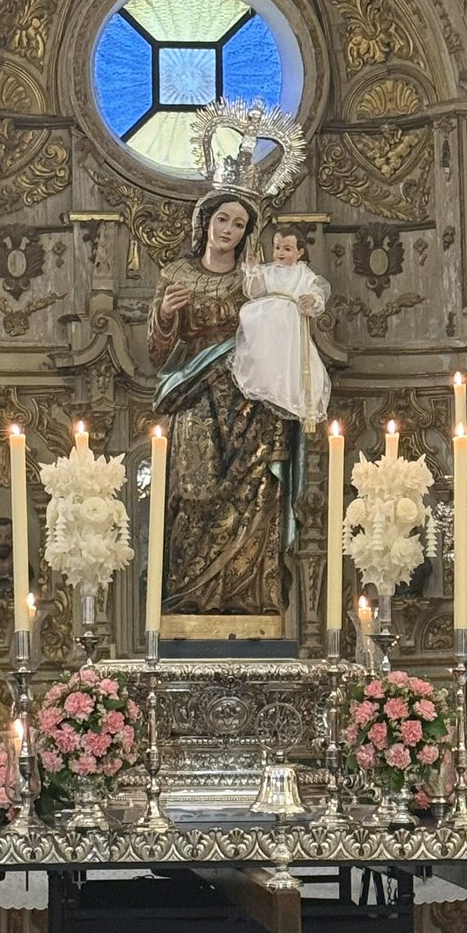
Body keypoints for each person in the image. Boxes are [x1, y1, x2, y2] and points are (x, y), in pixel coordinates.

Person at [147, 194, 296, 617]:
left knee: (255, 492)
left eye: (239, 224)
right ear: (206, 222)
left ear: (247, 234)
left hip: (251, 400)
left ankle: (245, 599)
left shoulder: (254, 279)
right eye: (223, 219)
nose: (229, 229)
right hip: (195, 392)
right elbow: (157, 354)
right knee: (194, 489)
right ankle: (188, 595)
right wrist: (165, 316)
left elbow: (281, 332)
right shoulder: (175, 274)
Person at [231, 225, 330, 433]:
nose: (280, 253)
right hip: (267, 329)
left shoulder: (303, 273)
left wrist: (311, 299)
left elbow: (316, 294)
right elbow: (254, 292)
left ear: (300, 252)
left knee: (294, 367)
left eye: (287, 249)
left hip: (291, 332)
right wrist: (253, 269)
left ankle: (289, 401)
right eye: (277, 248)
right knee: (266, 360)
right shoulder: (267, 271)